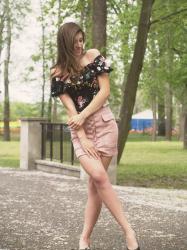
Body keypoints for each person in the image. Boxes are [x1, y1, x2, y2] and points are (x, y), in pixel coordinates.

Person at [50, 21, 140, 250]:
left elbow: (105, 91)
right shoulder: (58, 72)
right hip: (82, 133)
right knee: (99, 177)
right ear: (65, 43)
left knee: (94, 185)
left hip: (105, 124)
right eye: (75, 42)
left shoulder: (94, 56)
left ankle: (84, 238)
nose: (80, 45)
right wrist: (82, 135)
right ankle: (129, 231)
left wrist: (83, 115)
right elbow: (71, 110)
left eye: (82, 40)